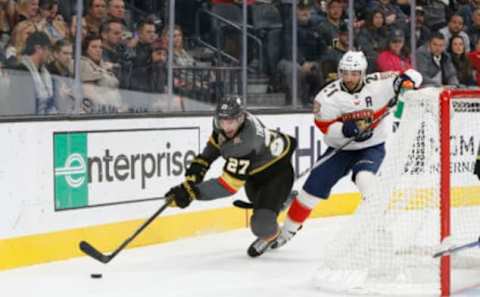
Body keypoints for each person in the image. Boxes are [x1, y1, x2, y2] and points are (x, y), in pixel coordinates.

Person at [270, 51, 423, 250]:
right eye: (345, 72)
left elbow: (414, 75)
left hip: (371, 148)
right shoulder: (327, 97)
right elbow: (325, 129)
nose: (349, 78)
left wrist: (406, 83)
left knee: (366, 181)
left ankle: (380, 229)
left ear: (363, 72)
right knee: (310, 191)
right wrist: (344, 129)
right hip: (340, 150)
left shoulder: (379, 83)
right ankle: (287, 231)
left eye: (355, 73)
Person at [164, 95, 297, 257]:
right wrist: (191, 179)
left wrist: (192, 192)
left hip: (277, 171)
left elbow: (228, 186)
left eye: (231, 121)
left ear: (241, 118)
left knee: (262, 226)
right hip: (255, 172)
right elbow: (207, 156)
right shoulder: (224, 128)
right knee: (262, 205)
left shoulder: (246, 142)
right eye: (223, 121)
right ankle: (277, 203)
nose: (227, 127)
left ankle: (276, 234)